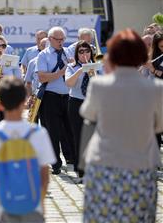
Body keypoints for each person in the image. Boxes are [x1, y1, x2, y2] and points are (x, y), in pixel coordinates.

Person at [80, 29, 163, 222]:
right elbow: (159, 127)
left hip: (104, 165)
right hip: (141, 166)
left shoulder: (100, 85)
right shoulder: (157, 89)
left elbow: (88, 114)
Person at [0, 76, 56, 223]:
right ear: (24, 103)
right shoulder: (38, 133)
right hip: (33, 206)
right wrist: (39, 202)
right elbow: (44, 176)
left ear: (0, 104)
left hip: (6, 206)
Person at [35, 26, 74, 175]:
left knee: (70, 129)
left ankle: (72, 158)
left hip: (67, 96)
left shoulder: (68, 53)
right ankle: (55, 163)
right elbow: (42, 77)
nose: (61, 42)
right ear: (50, 39)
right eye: (57, 39)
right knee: (53, 131)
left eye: (63, 39)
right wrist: (62, 72)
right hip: (51, 97)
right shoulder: (43, 55)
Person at [65, 41, 97, 180]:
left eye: (87, 51)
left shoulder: (98, 66)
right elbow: (69, 83)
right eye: (81, 52)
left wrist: (93, 73)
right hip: (76, 103)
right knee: (78, 136)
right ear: (77, 54)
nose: (84, 54)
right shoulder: (71, 67)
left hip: (93, 103)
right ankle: (81, 170)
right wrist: (80, 70)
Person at [25, 37, 48, 124]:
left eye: (47, 45)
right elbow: (28, 83)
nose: (45, 47)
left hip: (49, 97)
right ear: (39, 47)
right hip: (35, 97)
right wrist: (29, 97)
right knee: (32, 124)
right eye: (43, 45)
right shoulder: (32, 62)